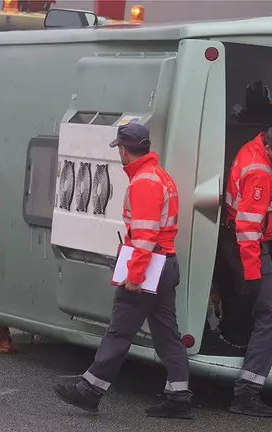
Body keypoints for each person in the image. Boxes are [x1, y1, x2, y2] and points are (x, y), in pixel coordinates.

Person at [53, 120, 193, 419]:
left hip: (148, 266)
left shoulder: (144, 182)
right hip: (165, 264)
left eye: (119, 149)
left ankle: (90, 391)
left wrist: (134, 275)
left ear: (126, 151)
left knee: (118, 333)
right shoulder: (160, 176)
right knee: (168, 334)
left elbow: (144, 234)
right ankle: (179, 396)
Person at [220, 124, 272, 417]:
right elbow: (247, 229)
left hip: (242, 246)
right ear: (269, 148)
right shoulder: (260, 173)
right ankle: (246, 394)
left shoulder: (254, 150)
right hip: (249, 249)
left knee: (254, 308)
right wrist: (254, 273)